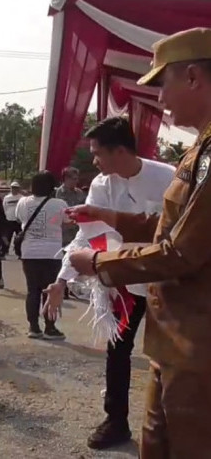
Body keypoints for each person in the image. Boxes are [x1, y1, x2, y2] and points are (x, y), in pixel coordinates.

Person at [47, 27, 211, 458]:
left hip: (197, 340)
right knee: (157, 441)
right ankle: (113, 417)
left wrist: (100, 264)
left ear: (193, 77)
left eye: (163, 83)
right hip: (177, 336)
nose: (159, 99)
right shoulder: (198, 153)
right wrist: (109, 219)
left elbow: (181, 251)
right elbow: (167, 228)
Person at [47, 117, 175, 449]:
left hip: (169, 281)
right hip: (125, 281)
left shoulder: (168, 178)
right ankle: (116, 420)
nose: (94, 161)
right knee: (118, 350)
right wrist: (61, 280)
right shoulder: (102, 185)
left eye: (97, 153)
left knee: (173, 353)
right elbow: (86, 235)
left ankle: (175, 424)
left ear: (120, 151)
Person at [15, 171, 67, 340]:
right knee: (50, 292)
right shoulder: (59, 204)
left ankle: (33, 327)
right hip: (52, 253)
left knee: (32, 291)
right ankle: (50, 327)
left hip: (29, 252)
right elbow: (67, 221)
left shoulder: (23, 202)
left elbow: (18, 218)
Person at [55, 167, 86, 249]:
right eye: (74, 179)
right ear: (66, 178)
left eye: (77, 178)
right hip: (63, 234)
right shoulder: (57, 193)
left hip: (76, 232)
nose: (77, 181)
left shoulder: (79, 193)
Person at [1, 181, 23, 257]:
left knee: (19, 238)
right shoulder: (7, 198)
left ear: (18, 189)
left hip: (18, 220)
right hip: (9, 220)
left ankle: (19, 253)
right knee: (6, 237)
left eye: (16, 188)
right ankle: (3, 252)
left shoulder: (21, 198)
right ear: (11, 189)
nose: (14, 189)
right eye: (13, 188)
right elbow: (4, 208)